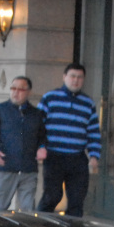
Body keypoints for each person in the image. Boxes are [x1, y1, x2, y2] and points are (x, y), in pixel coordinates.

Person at [37, 62, 101, 217]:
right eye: (72, 76)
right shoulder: (50, 98)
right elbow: (38, 126)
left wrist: (94, 155)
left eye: (80, 77)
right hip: (54, 156)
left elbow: (93, 131)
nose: (76, 80)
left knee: (77, 200)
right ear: (64, 77)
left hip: (77, 158)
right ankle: (39, 224)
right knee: (52, 196)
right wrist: (40, 146)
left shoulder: (88, 103)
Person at [0, 75, 47, 212]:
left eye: (20, 89)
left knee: (28, 210)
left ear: (28, 92)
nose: (15, 92)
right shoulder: (0, 110)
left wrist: (42, 148)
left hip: (28, 169)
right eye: (13, 88)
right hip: (5, 167)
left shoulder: (36, 114)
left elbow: (42, 136)